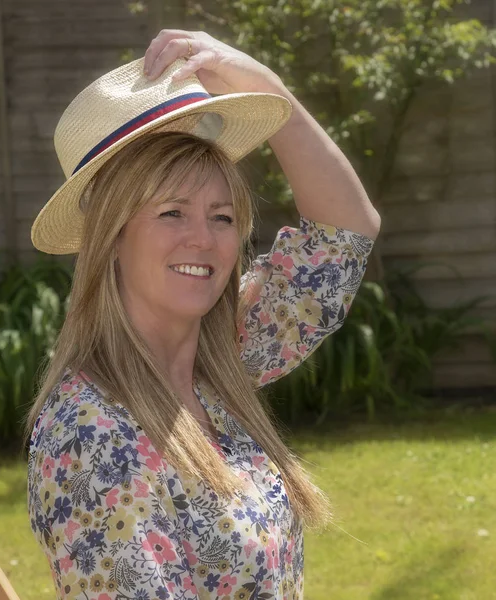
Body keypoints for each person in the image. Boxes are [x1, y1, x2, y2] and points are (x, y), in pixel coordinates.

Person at [26, 30, 380, 600]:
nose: (204, 240)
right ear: (110, 236)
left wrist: (268, 90)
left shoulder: (221, 358)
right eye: (172, 212)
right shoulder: (92, 438)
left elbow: (346, 235)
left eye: (221, 217)